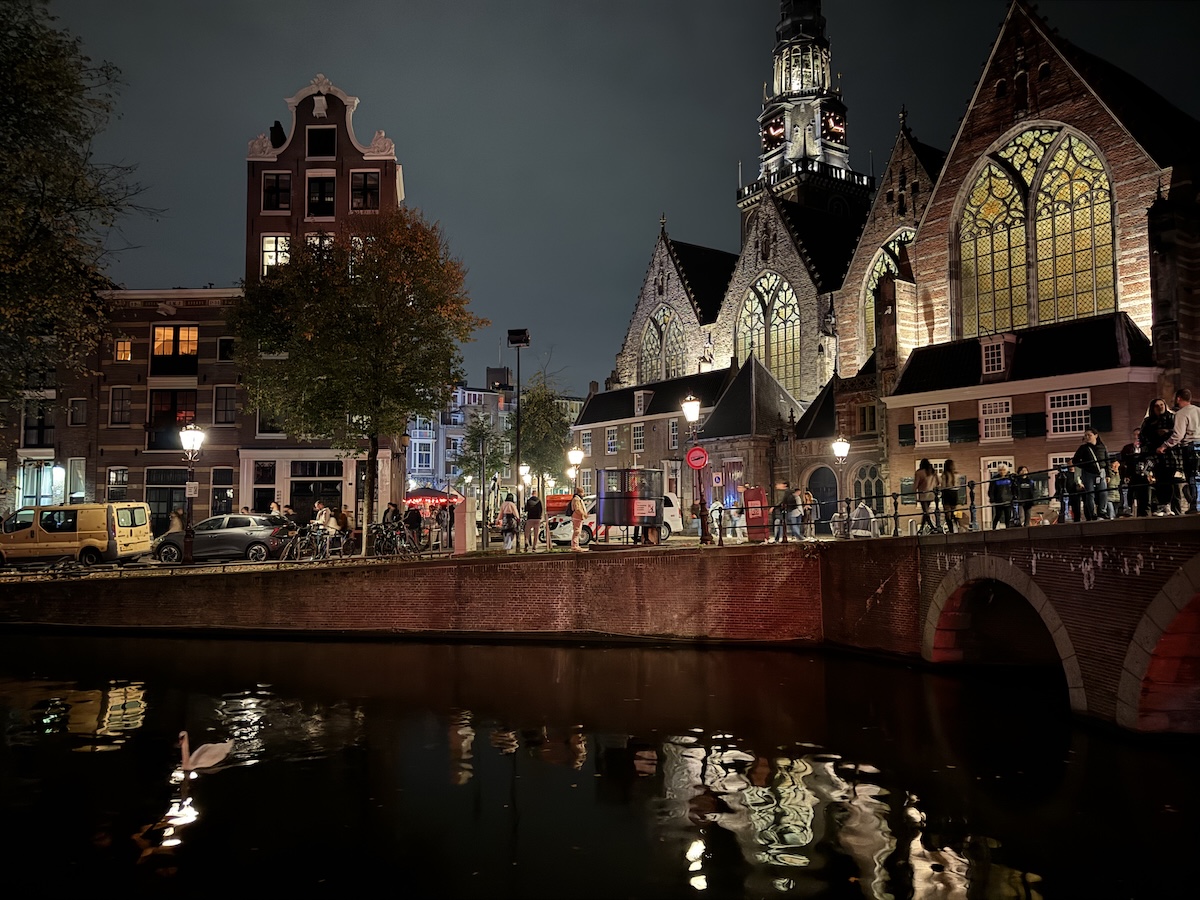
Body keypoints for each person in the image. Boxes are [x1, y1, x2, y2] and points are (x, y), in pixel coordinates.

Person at [1161, 388, 1200, 514]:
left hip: (1190, 447)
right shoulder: (1198, 410)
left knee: (1192, 476)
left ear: (1178, 398)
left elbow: (1178, 435)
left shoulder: (1181, 413)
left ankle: (1195, 505)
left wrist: (1164, 446)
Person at [1140, 398, 1177, 515]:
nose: (1160, 407)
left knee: (1170, 480)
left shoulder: (1172, 418)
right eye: (1157, 406)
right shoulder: (1148, 422)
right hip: (1155, 454)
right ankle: (1162, 505)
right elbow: (1143, 437)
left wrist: (1167, 432)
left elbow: (1178, 432)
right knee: (1159, 479)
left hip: (1170, 454)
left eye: (1162, 405)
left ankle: (1168, 505)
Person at [1119, 430, 1150, 517]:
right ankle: (1128, 510)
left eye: (1139, 435)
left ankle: (1143, 512)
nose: (1137, 437)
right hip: (1131, 474)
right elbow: (1123, 461)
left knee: (1143, 494)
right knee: (1130, 493)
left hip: (1143, 475)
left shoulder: (1146, 447)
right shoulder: (1127, 448)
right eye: (1135, 435)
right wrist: (1125, 474)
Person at [914, 459, 938, 534]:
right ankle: (922, 529)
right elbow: (938, 482)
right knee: (925, 512)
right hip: (931, 495)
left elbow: (915, 485)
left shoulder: (919, 473)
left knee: (925, 512)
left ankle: (932, 527)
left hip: (923, 495)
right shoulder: (932, 472)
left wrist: (914, 493)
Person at [988, 464, 1014, 529]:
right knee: (998, 515)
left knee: (1008, 515)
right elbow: (991, 490)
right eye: (1000, 470)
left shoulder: (1010, 478)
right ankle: (994, 528)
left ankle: (1007, 528)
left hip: (1008, 499)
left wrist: (1013, 497)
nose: (1002, 472)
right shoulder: (995, 479)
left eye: (1004, 470)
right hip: (998, 500)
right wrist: (992, 499)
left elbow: (1014, 488)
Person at [939, 460, 959, 533]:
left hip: (947, 493)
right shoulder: (956, 474)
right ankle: (956, 526)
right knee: (953, 512)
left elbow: (943, 486)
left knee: (947, 514)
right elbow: (958, 485)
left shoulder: (945, 475)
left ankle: (951, 530)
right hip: (954, 493)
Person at [569, 487, 588, 552]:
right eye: (583, 492)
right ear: (580, 492)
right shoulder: (577, 499)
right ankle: (574, 546)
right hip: (577, 517)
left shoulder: (577, 499)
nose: (583, 494)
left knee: (578, 531)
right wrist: (583, 514)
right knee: (577, 531)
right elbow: (577, 509)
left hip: (578, 517)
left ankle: (576, 545)